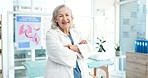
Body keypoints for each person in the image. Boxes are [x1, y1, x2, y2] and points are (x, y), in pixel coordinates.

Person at [45, 4, 93, 78]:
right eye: (61, 16)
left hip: (81, 73)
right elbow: (58, 53)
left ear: (71, 17)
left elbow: (89, 48)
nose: (65, 18)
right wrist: (80, 50)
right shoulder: (51, 34)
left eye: (67, 15)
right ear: (55, 19)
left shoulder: (77, 32)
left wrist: (70, 47)